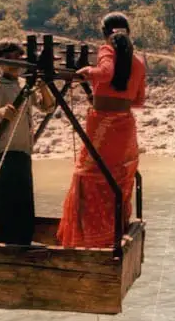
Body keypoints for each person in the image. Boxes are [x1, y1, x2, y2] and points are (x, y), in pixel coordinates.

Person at [57, 12, 146, 248]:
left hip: (103, 124)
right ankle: (112, 233)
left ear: (105, 33)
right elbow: (138, 100)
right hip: (125, 126)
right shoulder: (139, 60)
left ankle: (84, 238)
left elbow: (105, 72)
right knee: (118, 176)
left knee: (86, 175)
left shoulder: (107, 50)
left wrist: (88, 72)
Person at [0, 38, 56, 245]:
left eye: (18, 58)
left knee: (24, 204)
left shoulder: (24, 84)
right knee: (3, 206)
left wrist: (43, 86)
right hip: (3, 154)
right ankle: (0, 247)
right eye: (8, 59)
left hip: (23, 152)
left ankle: (23, 245)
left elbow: (48, 107)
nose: (14, 63)